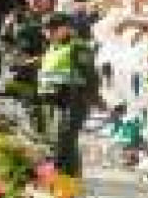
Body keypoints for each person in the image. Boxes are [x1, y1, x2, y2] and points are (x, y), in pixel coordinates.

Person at [34, 13, 99, 183]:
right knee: (60, 141)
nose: (48, 33)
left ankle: (64, 180)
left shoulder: (78, 48)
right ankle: (70, 182)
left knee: (65, 143)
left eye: (52, 29)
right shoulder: (53, 47)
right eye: (46, 30)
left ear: (65, 28)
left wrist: (88, 100)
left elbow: (91, 77)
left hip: (74, 100)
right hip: (56, 102)